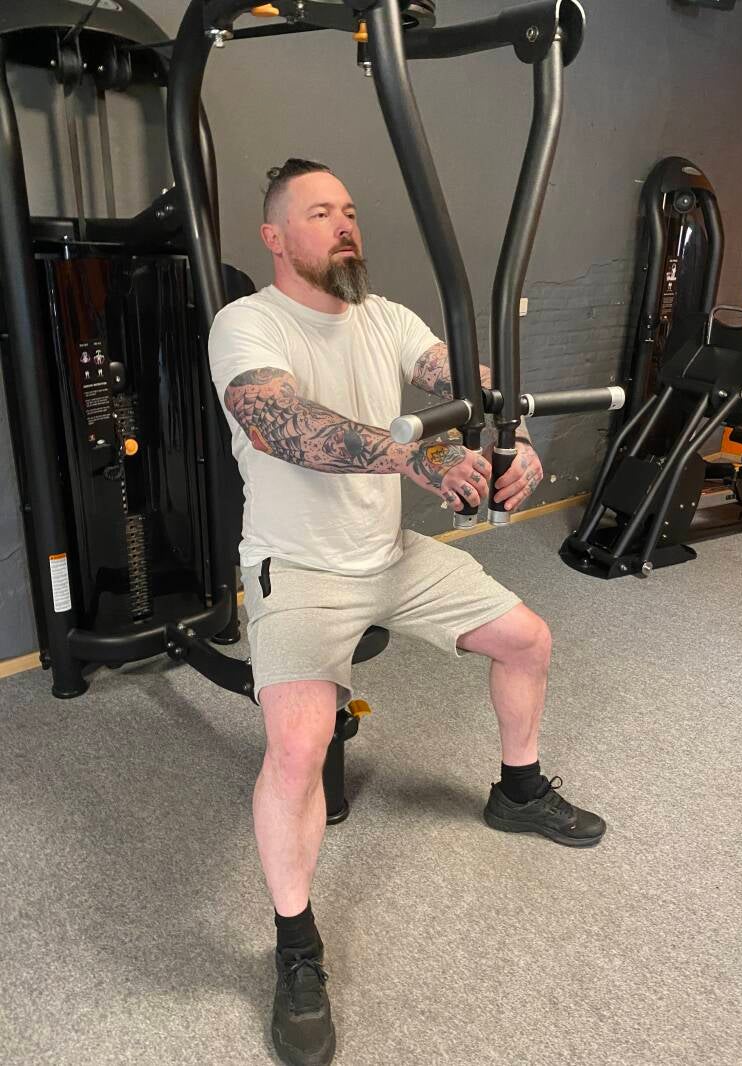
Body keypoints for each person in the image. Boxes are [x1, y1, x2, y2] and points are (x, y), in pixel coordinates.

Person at [208, 158, 605, 1066]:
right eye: (320, 213)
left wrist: (511, 438)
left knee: (527, 640)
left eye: (348, 210)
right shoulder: (248, 323)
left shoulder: (385, 318)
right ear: (275, 238)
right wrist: (417, 458)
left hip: (389, 557)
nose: (345, 224)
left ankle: (517, 790)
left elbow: (463, 378)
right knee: (299, 747)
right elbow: (281, 425)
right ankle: (296, 947)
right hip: (298, 569)